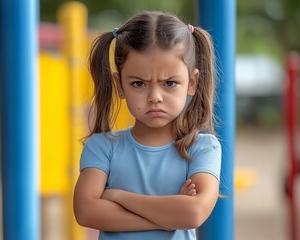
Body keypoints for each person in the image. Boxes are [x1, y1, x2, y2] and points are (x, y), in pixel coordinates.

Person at [73, 10, 221, 240]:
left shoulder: (201, 148)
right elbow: (85, 211)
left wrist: (118, 197)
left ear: (191, 83)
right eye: (139, 83)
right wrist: (169, 216)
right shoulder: (102, 147)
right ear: (119, 85)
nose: (155, 96)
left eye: (170, 83)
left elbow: (193, 212)